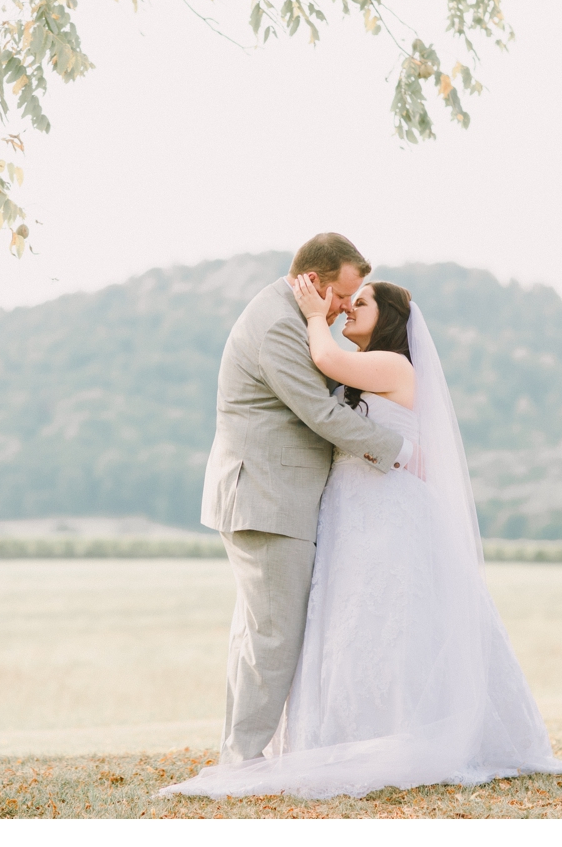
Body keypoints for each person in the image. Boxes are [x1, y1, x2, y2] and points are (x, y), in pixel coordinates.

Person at [161, 273, 562, 799]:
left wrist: (316, 315)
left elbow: (326, 360)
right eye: (347, 302)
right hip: (348, 510)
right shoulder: (365, 372)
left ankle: (401, 728)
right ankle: (346, 729)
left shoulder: (393, 364)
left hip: (387, 510)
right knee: (349, 618)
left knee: (392, 615)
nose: (347, 311)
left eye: (359, 303)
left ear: (386, 318)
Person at [193, 233, 420, 768]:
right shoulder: (279, 325)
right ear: (313, 283)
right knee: (271, 637)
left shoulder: (294, 318)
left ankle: (243, 752)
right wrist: (400, 448)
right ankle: (243, 760)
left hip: (276, 496)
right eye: (343, 295)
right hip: (267, 496)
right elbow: (321, 415)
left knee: (260, 632)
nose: (344, 307)